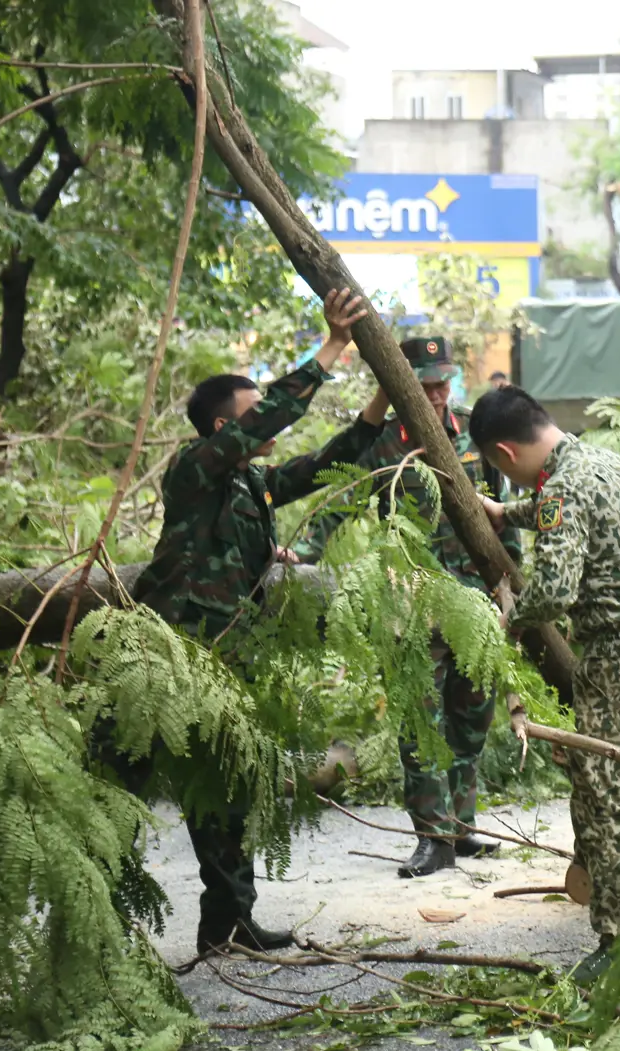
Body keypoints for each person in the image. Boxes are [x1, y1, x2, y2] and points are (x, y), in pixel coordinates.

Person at [131, 288, 389, 953]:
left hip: (226, 653)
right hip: (176, 654)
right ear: (224, 429)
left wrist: (380, 404)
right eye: (251, 415)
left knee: (228, 785)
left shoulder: (250, 482)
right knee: (143, 787)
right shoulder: (196, 471)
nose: (266, 423)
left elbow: (319, 465)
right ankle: (112, 925)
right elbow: (272, 416)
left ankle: (228, 923)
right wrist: (332, 345)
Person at [474, 387, 620, 981]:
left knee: (605, 794)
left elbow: (552, 591)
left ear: (504, 452)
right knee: (614, 778)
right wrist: (507, 514)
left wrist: (505, 618)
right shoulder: (599, 461)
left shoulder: (563, 487)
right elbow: (567, 510)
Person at [341, 336, 521, 879]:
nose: (438, 394)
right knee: (421, 725)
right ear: (403, 386)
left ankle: (463, 828)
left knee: (471, 719)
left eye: (443, 382)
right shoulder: (383, 444)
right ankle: (432, 837)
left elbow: (503, 510)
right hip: (410, 607)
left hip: (474, 603)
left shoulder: (473, 431)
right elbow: (343, 503)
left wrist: (509, 583)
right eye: (427, 384)